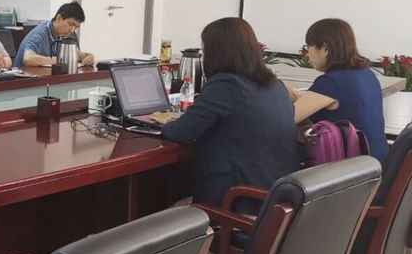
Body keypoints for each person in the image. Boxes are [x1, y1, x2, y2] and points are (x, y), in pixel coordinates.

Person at [153, 18, 298, 206]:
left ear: (217, 53)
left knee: (162, 213)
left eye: (204, 50)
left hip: (236, 201)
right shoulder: (276, 86)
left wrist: (167, 122)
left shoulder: (226, 85)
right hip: (273, 200)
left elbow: (181, 132)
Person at [292, 18, 387, 163]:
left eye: (309, 46)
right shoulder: (367, 74)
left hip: (351, 168)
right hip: (377, 163)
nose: (307, 53)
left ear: (325, 49)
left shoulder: (331, 83)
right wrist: (296, 95)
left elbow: (286, 118)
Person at [14, 0, 94, 67]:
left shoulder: (65, 35)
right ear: (59, 18)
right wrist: (59, 61)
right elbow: (28, 59)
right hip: (26, 79)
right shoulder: (41, 33)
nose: (72, 30)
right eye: (71, 24)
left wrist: (89, 56)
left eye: (76, 27)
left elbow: (75, 56)